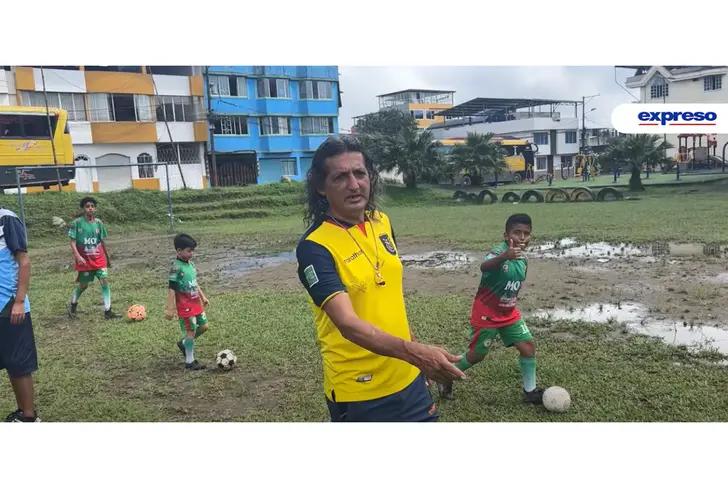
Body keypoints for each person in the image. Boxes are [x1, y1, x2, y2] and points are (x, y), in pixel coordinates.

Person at [296, 135, 465, 422]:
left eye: (360, 173)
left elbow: (389, 298)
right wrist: (417, 354)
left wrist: (416, 357)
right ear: (321, 187)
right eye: (340, 177)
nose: (354, 184)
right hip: (361, 392)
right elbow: (348, 325)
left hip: (408, 375)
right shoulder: (315, 247)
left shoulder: (381, 222)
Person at [438, 213, 544, 405]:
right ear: (506, 235)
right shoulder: (498, 253)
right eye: (516, 232)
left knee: (528, 347)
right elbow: (484, 266)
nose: (521, 237)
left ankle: (530, 391)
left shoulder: (523, 259)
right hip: (486, 313)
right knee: (477, 354)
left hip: (508, 313)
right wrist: (505, 256)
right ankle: (445, 374)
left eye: (526, 234)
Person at [1, 207, 40, 422]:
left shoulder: (6, 219)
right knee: (9, 362)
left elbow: (24, 261)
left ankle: (28, 416)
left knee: (18, 364)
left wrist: (18, 301)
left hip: (9, 306)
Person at [66, 197, 120, 319]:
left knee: (104, 281)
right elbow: (72, 242)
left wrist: (107, 258)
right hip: (85, 261)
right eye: (87, 206)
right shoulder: (77, 223)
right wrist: (78, 256)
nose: (90, 208)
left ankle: (108, 311)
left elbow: (102, 241)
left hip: (99, 259)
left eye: (92, 206)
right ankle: (73, 304)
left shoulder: (99, 223)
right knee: (83, 286)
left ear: (95, 208)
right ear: (83, 208)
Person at [165, 233, 209, 370]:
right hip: (185, 305)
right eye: (189, 251)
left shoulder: (191, 264)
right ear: (179, 251)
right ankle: (190, 361)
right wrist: (170, 308)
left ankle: (184, 343)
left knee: (204, 326)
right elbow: (172, 289)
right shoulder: (175, 267)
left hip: (196, 303)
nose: (192, 254)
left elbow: (195, 283)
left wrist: (203, 296)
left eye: (192, 251)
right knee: (191, 331)